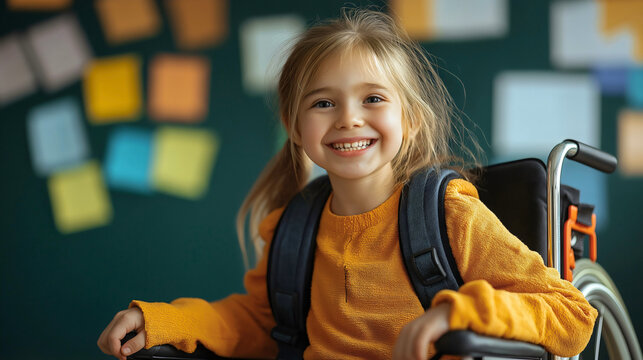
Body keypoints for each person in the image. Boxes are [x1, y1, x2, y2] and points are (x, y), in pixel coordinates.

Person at [98, 8, 597, 360]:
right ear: (296, 129)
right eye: (323, 103)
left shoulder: (449, 215)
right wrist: (166, 322)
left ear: (412, 122)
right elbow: (261, 324)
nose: (349, 120)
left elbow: (571, 315)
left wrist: (459, 315)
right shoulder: (294, 229)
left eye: (373, 99)